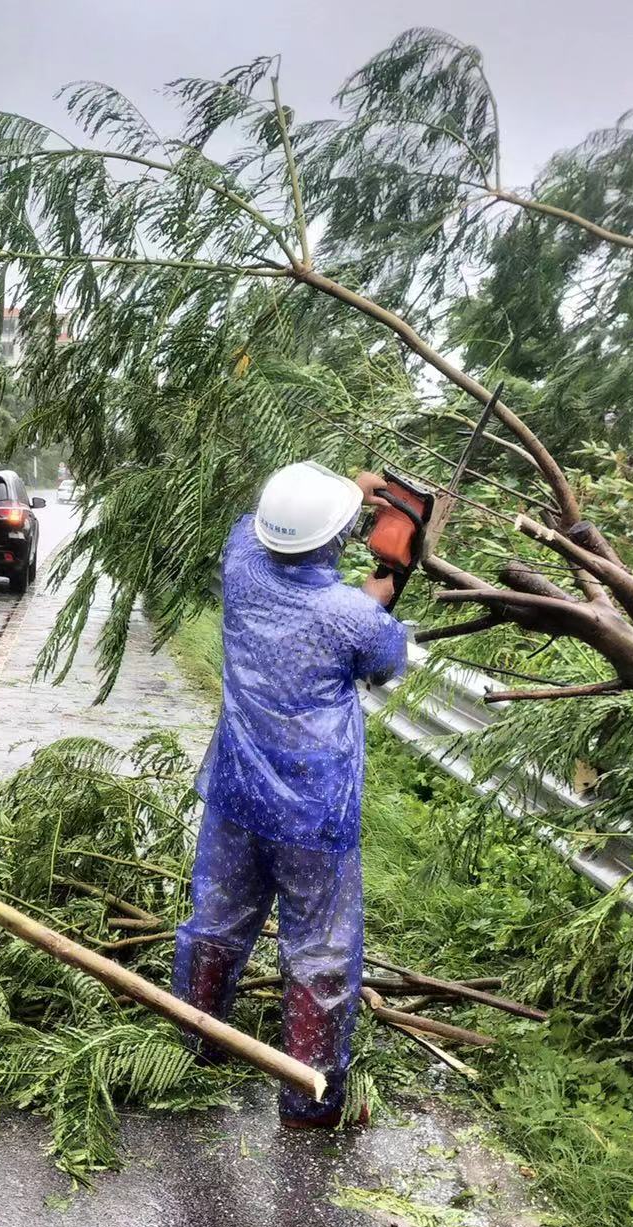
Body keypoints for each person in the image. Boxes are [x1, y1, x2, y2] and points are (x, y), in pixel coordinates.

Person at [171, 461, 408, 1130]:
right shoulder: (352, 617)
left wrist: (344, 496)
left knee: (216, 923)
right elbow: (387, 663)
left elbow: (265, 526)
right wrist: (377, 595)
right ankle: (309, 1099)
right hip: (314, 812)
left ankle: (193, 1047)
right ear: (333, 538)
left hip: (236, 793)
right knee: (321, 952)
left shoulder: (241, 561)